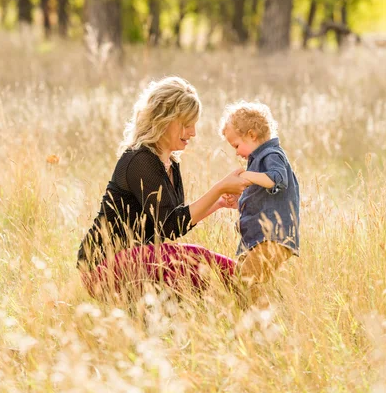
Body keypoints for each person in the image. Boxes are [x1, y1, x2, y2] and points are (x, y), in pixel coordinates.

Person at [77, 76, 249, 300]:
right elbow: (169, 224)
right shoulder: (140, 160)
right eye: (186, 125)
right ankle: (247, 292)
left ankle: (248, 293)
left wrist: (218, 203)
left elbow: (173, 226)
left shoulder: (170, 163)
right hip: (103, 267)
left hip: (137, 259)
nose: (193, 132)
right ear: (163, 120)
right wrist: (218, 188)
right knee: (197, 260)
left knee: (196, 270)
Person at [220, 101, 299, 305]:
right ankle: (267, 314)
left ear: (252, 135)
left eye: (236, 145)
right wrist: (239, 199)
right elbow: (262, 196)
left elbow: (277, 179)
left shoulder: (272, 155)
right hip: (257, 240)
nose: (237, 152)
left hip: (273, 238)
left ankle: (264, 321)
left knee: (246, 281)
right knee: (240, 280)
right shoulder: (257, 162)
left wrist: (247, 175)